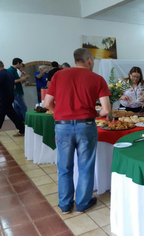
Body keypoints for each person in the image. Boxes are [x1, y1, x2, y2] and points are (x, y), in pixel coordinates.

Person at [44, 48, 111, 214]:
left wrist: (60, 112)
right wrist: (95, 113)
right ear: (89, 60)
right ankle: (82, 203)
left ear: (75, 61)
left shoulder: (58, 75)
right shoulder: (97, 79)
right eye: (93, 61)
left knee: (64, 167)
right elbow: (107, 109)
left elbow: (47, 104)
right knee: (85, 166)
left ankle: (65, 205)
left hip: (62, 125)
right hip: (86, 125)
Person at [0, 59, 25, 137]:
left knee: (2, 114)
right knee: (8, 114)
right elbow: (12, 86)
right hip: (8, 97)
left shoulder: (0, 74)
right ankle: (21, 129)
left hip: (5, 99)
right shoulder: (8, 73)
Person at [8, 58, 27, 122]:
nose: (22, 65)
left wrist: (22, 78)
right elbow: (11, 81)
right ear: (18, 63)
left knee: (17, 108)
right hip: (16, 92)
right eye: (21, 63)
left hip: (17, 91)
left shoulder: (15, 70)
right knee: (23, 107)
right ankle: (27, 122)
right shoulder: (10, 70)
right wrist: (22, 79)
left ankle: (19, 122)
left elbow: (18, 81)